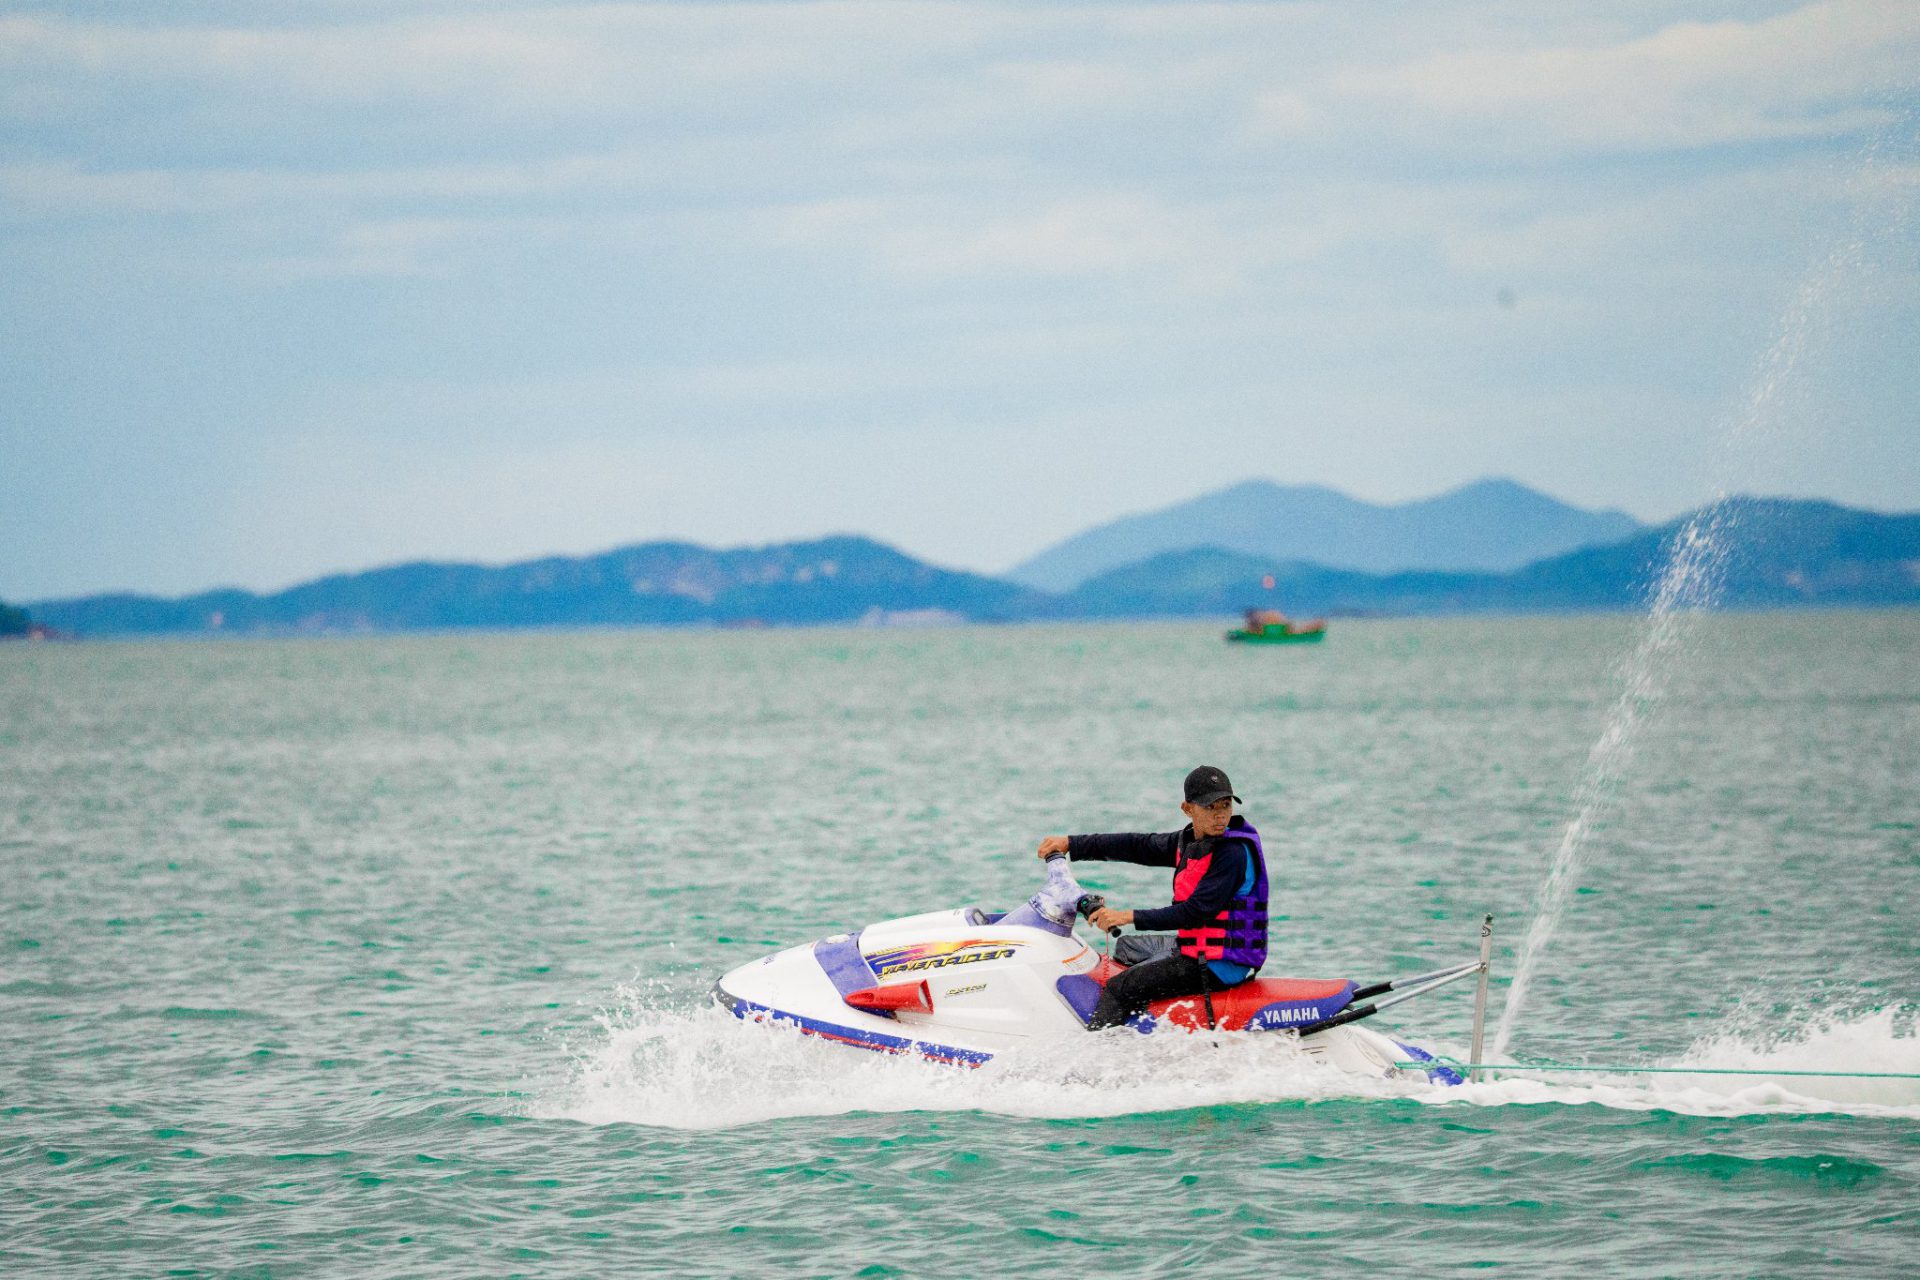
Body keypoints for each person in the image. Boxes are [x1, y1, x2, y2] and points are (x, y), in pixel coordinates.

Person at [1035, 765, 1269, 1031]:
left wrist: (1127, 916)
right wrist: (1071, 843)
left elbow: (1194, 912)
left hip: (1222, 965)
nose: (1220, 816)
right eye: (1210, 807)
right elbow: (1137, 846)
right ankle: (1140, 1029)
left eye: (1225, 805)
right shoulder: (1189, 842)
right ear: (1187, 809)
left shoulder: (1233, 854)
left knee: (1119, 987)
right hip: (1198, 950)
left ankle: (1097, 1059)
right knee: (1125, 949)